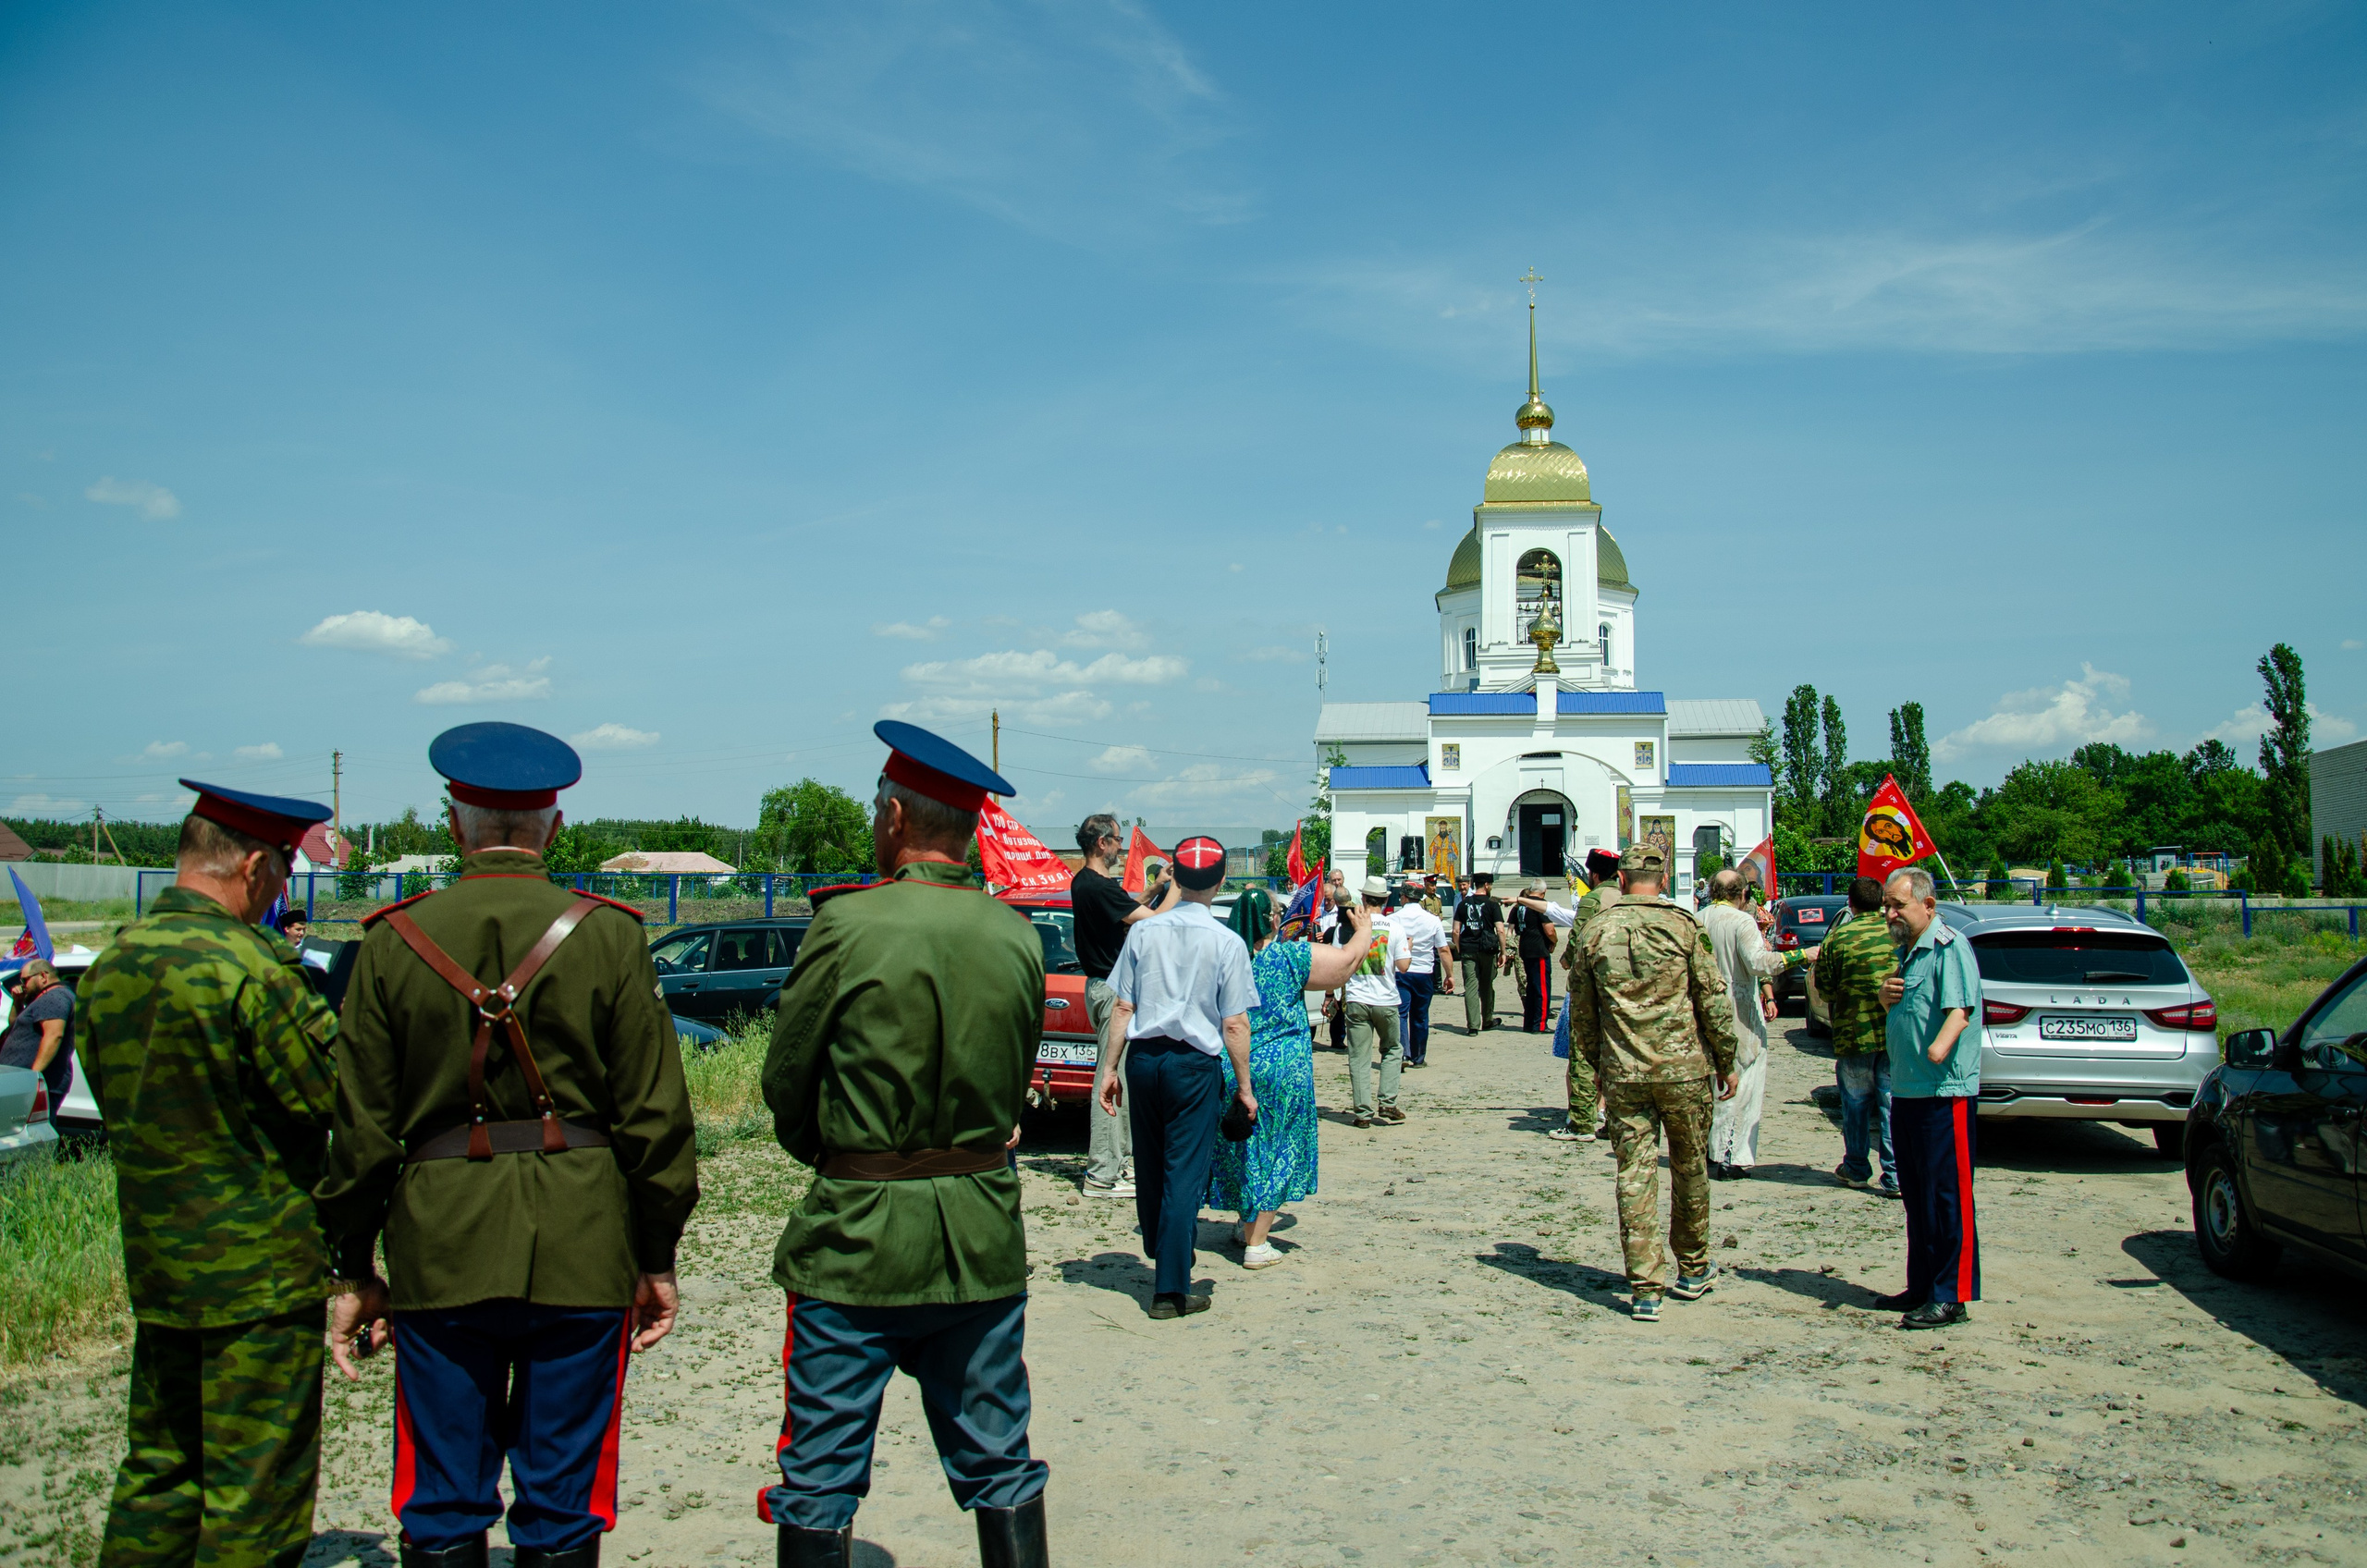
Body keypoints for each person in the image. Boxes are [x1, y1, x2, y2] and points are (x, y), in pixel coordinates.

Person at [317, 722, 700, 1568]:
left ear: (452, 824)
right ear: (553, 829)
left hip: (440, 1248)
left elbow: (363, 1132)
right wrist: (657, 1253)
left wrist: (351, 1265)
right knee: (564, 1500)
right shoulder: (610, 934)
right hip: (584, 1242)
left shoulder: (389, 941)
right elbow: (656, 1119)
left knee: (442, 1498)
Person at [760, 722, 1050, 1566]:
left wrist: (849, 1156)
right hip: (980, 1230)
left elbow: (788, 1082)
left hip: (856, 1234)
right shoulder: (1019, 937)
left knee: (819, 1470)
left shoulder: (846, 925)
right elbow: (1010, 1073)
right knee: (1001, 1460)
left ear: (894, 817)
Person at [78, 780, 341, 1567]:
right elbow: (330, 1095)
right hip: (258, 1274)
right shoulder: (253, 970)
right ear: (254, 866)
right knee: (252, 1496)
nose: (284, 887)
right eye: (285, 867)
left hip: (159, 1265)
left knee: (159, 1471)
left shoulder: (113, 963)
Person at [1565, 842, 1740, 1322]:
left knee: (1634, 1173)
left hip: (1625, 1074)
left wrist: (1599, 1064)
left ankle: (1645, 1286)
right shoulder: (1684, 925)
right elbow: (1712, 997)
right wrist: (1727, 1060)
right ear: (1662, 881)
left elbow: (1582, 1009)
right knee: (1689, 1169)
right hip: (1684, 1072)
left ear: (1620, 881)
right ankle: (1693, 1268)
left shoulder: (1597, 930)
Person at [1098, 836, 1259, 1318]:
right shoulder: (1227, 942)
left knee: (1149, 1163)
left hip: (1144, 1061)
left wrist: (1109, 1068)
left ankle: (1160, 1243)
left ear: (1173, 875)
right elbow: (1234, 1022)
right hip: (1194, 1066)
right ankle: (1170, 1289)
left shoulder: (1143, 934)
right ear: (1222, 879)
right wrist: (1245, 1088)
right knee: (1183, 1173)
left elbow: (1123, 1005)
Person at [1207, 890, 1374, 1268]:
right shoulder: (1288, 956)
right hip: (1283, 1068)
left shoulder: (1222, 959)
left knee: (1245, 1149)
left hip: (1235, 1064)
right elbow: (1345, 965)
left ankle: (1247, 1225)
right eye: (1279, 911)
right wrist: (1362, 930)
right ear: (1269, 918)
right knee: (1278, 1150)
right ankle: (1258, 1244)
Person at [1873, 867, 1984, 1330]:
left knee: (1946, 1196)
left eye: (1898, 905)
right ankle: (1921, 1286)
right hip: (1909, 1089)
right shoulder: (1908, 952)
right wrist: (1884, 998)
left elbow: (1960, 1009)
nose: (1890, 913)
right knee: (1916, 1195)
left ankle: (1950, 1295)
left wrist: (1939, 1047)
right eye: (1886, 906)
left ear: (1928, 905)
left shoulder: (1949, 947)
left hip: (1943, 1093)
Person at [1069, 813, 1181, 1200]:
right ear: (1101, 843)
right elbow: (1151, 925)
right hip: (1110, 992)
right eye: (1117, 840)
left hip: (1108, 988)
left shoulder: (1089, 884)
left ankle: (1119, 1164)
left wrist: (1154, 887)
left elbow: (1126, 909)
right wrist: (1178, 890)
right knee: (1109, 1078)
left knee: (1122, 1081)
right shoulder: (1096, 886)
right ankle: (1101, 1172)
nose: (1121, 847)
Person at [1699, 869, 1815, 1180]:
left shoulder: (1698, 918)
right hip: (1738, 1007)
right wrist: (1802, 956)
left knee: (1715, 1081)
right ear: (1742, 894)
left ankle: (1713, 1150)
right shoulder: (1742, 921)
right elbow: (1758, 962)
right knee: (1744, 1081)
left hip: (1703, 1007)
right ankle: (1732, 1156)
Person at [1527, 850, 1621, 1143]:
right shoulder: (1627, 895)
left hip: (1592, 984)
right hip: (1625, 984)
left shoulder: (1593, 899)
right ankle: (1614, 1118)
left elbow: (1580, 936)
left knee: (1582, 1052)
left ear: (1593, 875)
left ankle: (1581, 1122)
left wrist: (1567, 960)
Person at [1818, 876, 1899, 1197]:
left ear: (1850, 903)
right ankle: (1895, 1175)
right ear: (1882, 902)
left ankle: (1856, 1167)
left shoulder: (1838, 938)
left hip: (1854, 1034)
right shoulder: (1898, 934)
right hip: (1894, 1033)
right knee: (1892, 1104)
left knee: (1855, 1105)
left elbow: (1824, 989)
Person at [1337, 876, 1413, 1127]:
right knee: (1392, 1050)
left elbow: (1340, 961)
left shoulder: (1349, 927)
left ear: (1364, 898)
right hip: (1386, 998)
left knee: (1358, 1056)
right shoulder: (1395, 928)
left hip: (1358, 997)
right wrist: (1408, 948)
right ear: (1385, 899)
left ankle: (1362, 1112)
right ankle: (1388, 1102)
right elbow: (1403, 966)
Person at [0, 956, 75, 1106]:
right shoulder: (45, 999)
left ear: (42, 976)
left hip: (37, 1083)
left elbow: (54, 1035)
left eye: (25, 980)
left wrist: (33, 1076)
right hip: (22, 1082)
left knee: (34, 1128)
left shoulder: (55, 998)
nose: (22, 986)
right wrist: (18, 1002)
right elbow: (14, 1025)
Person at [1392, 883, 1445, 1067]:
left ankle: (1403, 1053)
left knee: (1401, 1013)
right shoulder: (1432, 920)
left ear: (1404, 897)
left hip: (1401, 971)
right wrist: (1450, 974)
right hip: (1424, 972)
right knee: (1421, 1015)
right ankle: (1418, 1056)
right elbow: (1443, 949)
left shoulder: (1394, 919)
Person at [1450, 873, 1510, 1034]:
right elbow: (1500, 930)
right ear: (1487, 885)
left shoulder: (1464, 904)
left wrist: (1459, 948)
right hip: (1488, 950)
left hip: (1468, 949)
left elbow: (1455, 931)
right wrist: (1503, 952)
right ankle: (1488, 1020)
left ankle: (1473, 1026)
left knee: (1470, 987)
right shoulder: (1492, 904)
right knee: (1487, 986)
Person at [1505, 886, 1558, 1034]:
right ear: (1543, 892)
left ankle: (1529, 1023)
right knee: (1542, 989)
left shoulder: (1519, 907)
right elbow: (1549, 929)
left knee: (1531, 988)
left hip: (1525, 947)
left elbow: (1513, 928)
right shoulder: (1540, 905)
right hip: (1538, 949)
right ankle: (1540, 1024)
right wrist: (1554, 941)